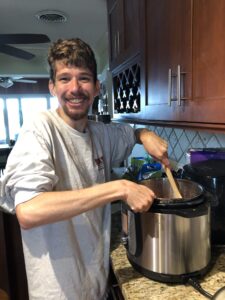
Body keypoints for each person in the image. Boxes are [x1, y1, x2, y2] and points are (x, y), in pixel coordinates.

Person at [0, 38, 169, 300]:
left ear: (97, 87)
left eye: (84, 78)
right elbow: (29, 211)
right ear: (52, 87)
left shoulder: (99, 133)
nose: (75, 88)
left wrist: (145, 134)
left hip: (94, 282)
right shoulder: (40, 129)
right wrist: (119, 187)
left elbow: (129, 134)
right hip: (57, 292)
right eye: (65, 78)